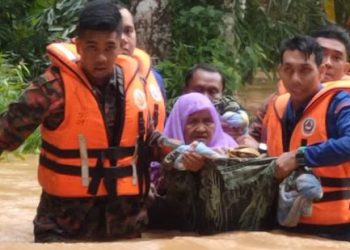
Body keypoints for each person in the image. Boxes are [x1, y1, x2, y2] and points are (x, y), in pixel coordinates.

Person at [0, 0, 153, 242]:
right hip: (63, 228)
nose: (101, 57)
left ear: (121, 46)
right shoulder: (51, 89)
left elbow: (149, 142)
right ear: (78, 45)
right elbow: (4, 136)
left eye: (109, 47)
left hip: (123, 227)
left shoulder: (137, 85)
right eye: (92, 47)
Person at [264, 35, 350, 240]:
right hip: (284, 223)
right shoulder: (277, 107)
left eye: (304, 70)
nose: (295, 78)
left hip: (336, 229)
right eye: (288, 70)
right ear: (280, 71)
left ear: (321, 72)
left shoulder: (340, 102)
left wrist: (300, 156)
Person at [250, 24, 350, 143]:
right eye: (322, 54)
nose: (328, 62)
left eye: (336, 58)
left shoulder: (342, 104)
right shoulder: (275, 102)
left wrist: (301, 156)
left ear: (346, 69)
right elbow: (253, 136)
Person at [116, 2, 167, 130]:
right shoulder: (86, 77)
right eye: (115, 32)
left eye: (128, 31)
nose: (123, 39)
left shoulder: (154, 78)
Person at [183, 63, 256, 147]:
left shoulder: (234, 118)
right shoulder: (172, 117)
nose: (205, 97)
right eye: (198, 90)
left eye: (212, 92)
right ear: (185, 91)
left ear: (222, 94)